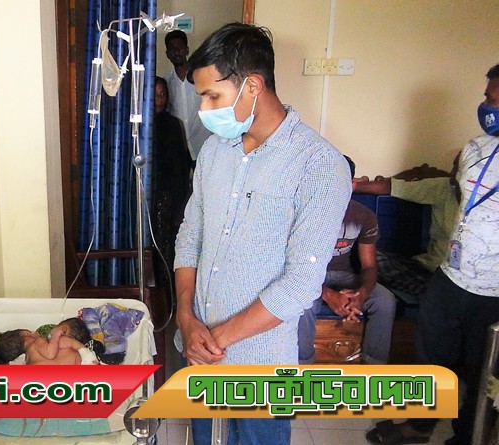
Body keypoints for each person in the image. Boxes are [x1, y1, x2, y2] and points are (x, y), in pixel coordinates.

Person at [173, 23, 352, 445]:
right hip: (201, 355)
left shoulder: (318, 165)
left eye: (212, 96)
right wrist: (186, 317)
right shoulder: (215, 151)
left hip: (262, 366)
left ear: (252, 85)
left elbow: (301, 282)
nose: (204, 109)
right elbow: (191, 234)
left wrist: (214, 341)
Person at [366, 64, 499, 445]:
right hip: (450, 277)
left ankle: (469, 436)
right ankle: (419, 425)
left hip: (494, 292)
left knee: (483, 370)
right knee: (430, 357)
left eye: (493, 100)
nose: (485, 106)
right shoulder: (476, 149)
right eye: (486, 97)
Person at [298, 156, 396, 365]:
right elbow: (290, 267)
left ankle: (374, 367)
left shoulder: (364, 215)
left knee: (385, 300)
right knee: (302, 303)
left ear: (352, 185)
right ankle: (302, 365)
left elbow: (369, 266)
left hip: (345, 276)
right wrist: (328, 294)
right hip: (307, 276)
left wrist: (361, 294)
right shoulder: (301, 211)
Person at [353, 154, 461, 297]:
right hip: (427, 269)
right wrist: (348, 185)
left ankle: (437, 295)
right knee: (374, 259)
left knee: (451, 293)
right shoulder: (444, 187)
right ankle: (435, 295)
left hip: (463, 281)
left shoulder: (488, 205)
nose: (453, 173)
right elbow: (391, 187)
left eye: (459, 169)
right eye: (454, 167)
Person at [152, 76, 193, 291]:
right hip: (147, 196)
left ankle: (168, 295)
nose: (159, 100)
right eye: (154, 96)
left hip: (169, 197)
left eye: (162, 95)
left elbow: (181, 166)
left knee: (168, 247)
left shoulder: (174, 124)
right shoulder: (138, 126)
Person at [164, 30, 212, 162]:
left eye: (180, 47)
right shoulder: (166, 82)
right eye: (172, 49)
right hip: (178, 148)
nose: (176, 52)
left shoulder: (201, 78)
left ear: (187, 50)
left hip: (203, 144)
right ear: (168, 54)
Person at [0, 318, 98, 365]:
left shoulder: (27, 359)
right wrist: (55, 335)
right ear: (26, 333)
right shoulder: (38, 341)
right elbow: (50, 353)